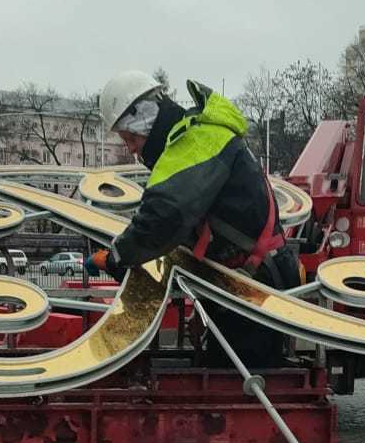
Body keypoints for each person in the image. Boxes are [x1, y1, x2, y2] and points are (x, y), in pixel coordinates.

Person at [90, 70, 299, 366]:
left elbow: (163, 216)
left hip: (253, 287)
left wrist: (117, 256)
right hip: (245, 283)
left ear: (145, 120)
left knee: (240, 392)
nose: (132, 149)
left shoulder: (195, 142)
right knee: (233, 380)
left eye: (130, 137)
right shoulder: (194, 137)